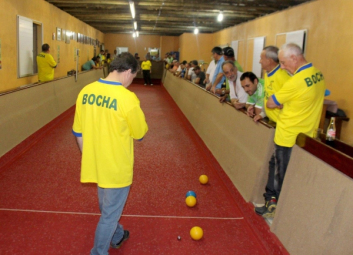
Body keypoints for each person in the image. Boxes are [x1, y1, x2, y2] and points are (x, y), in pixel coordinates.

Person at [72, 52, 148, 255]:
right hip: (117, 168)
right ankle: (98, 252)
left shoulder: (86, 91)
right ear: (129, 72)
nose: (132, 81)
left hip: (96, 165)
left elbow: (78, 132)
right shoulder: (127, 98)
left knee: (107, 209)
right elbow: (140, 134)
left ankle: (117, 235)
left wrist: (89, 157)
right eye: (133, 76)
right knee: (109, 215)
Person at [255, 43, 325, 218]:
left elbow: (271, 102)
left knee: (280, 175)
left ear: (295, 58)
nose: (283, 67)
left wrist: (280, 102)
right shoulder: (317, 74)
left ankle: (277, 211)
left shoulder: (296, 81)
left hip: (287, 134)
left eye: (284, 63)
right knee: (281, 170)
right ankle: (274, 204)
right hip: (305, 134)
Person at [259, 46, 291, 123]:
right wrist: (262, 114)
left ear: (269, 61)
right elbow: (267, 95)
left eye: (261, 58)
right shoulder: (267, 73)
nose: (260, 61)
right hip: (271, 121)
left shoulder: (283, 77)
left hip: (282, 123)